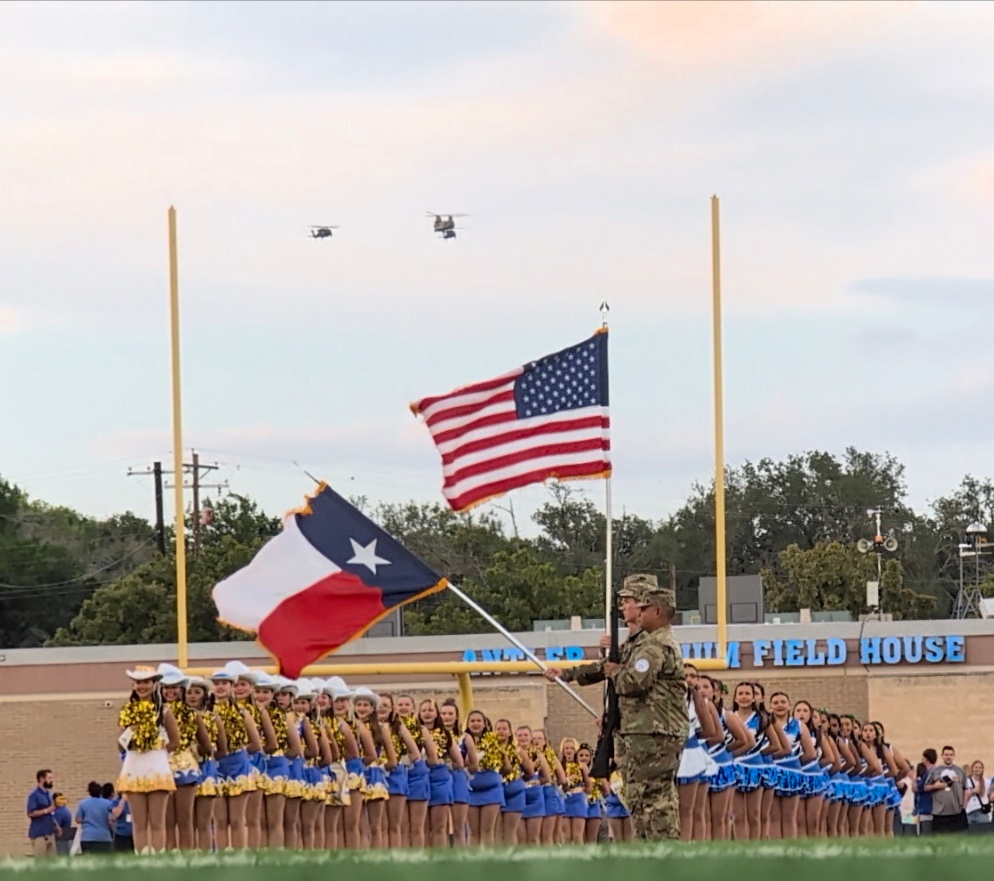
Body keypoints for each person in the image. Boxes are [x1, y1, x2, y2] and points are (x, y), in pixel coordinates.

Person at [923, 745, 968, 834]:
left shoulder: (960, 771)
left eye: (950, 755)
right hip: (939, 812)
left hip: (956, 811)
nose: (948, 757)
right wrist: (935, 786)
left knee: (957, 836)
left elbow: (965, 789)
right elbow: (926, 787)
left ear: (954, 756)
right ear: (942, 756)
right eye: (946, 755)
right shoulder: (935, 771)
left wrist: (964, 805)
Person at [75, 781, 115, 854]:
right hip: (104, 837)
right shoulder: (108, 803)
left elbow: (78, 819)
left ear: (89, 792)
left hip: (87, 837)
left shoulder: (83, 803)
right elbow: (111, 820)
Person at [26, 769, 58, 858]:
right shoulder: (34, 795)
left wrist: (56, 825)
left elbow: (51, 812)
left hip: (50, 832)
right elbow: (31, 813)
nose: (51, 780)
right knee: (41, 861)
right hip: (39, 834)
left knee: (53, 861)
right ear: (42, 779)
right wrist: (47, 810)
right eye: (49, 778)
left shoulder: (48, 794)